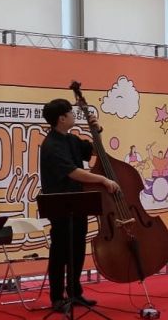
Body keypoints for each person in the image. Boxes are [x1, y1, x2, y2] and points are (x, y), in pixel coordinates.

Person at [39, 98, 120, 309]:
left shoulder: (71, 139)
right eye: (71, 112)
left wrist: (97, 130)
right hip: (59, 203)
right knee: (60, 252)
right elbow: (73, 172)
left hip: (79, 201)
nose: (74, 115)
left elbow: (95, 151)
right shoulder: (51, 145)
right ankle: (57, 298)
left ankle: (75, 293)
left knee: (77, 249)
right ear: (61, 118)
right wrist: (103, 180)